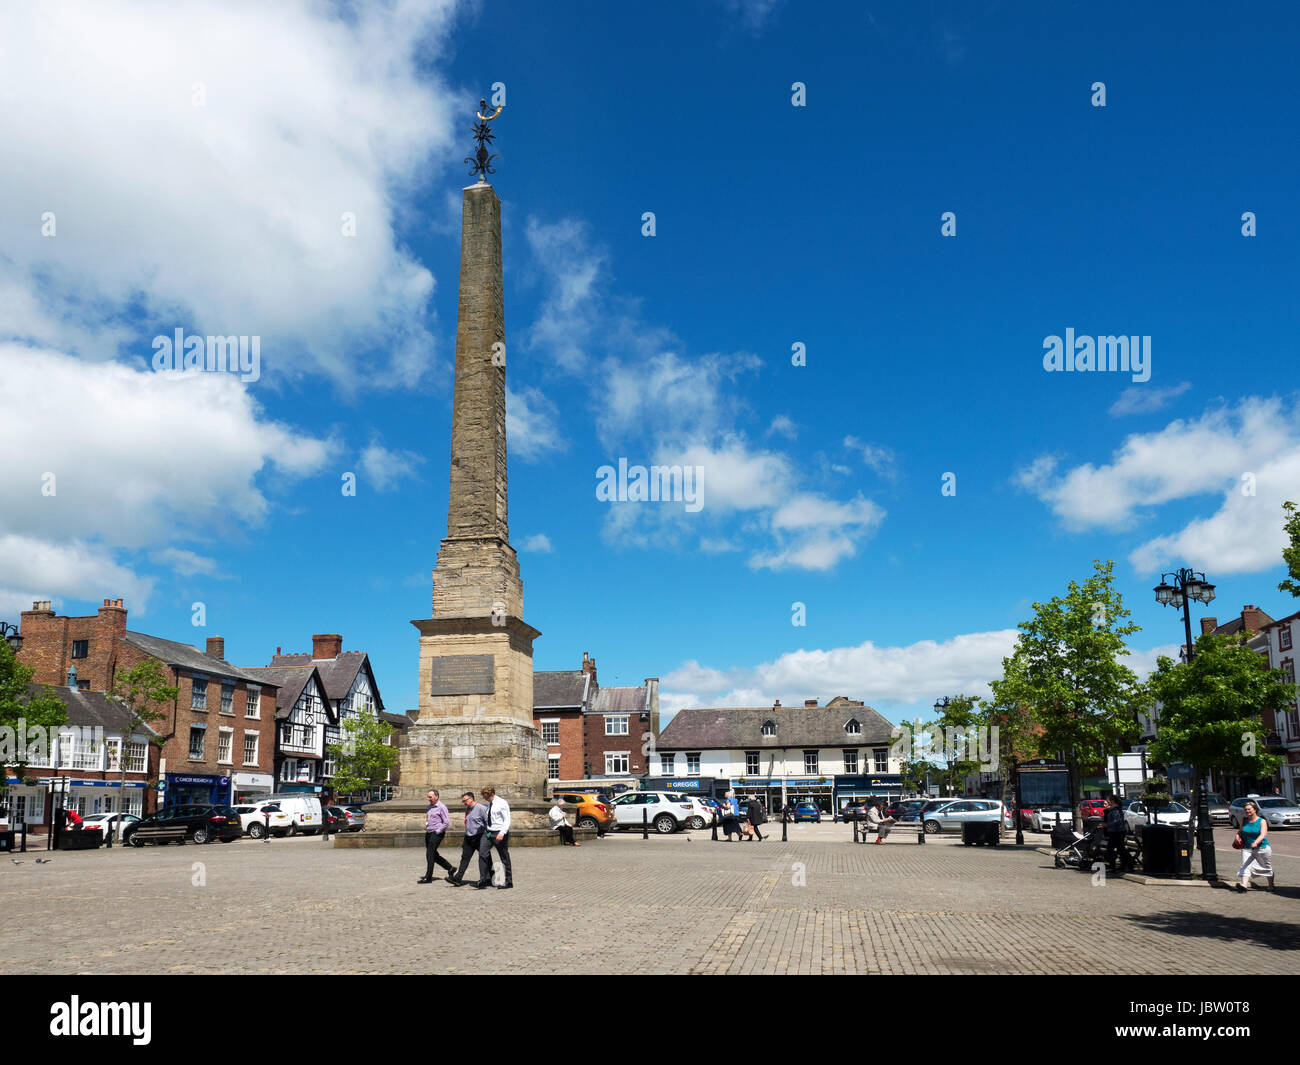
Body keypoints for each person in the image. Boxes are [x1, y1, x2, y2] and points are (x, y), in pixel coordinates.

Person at [446, 792, 487, 886]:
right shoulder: (468, 808)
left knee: (485, 858)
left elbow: (488, 823)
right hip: (469, 838)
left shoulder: (481, 808)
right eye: (463, 801)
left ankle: (488, 878)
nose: (464, 803)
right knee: (465, 858)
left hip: (479, 837)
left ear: (471, 799)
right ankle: (458, 878)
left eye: (465, 801)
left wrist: (488, 837)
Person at [478, 786, 513, 889]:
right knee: (482, 853)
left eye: (486, 797)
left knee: (504, 856)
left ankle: (508, 881)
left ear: (492, 794)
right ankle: (484, 879)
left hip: (499, 832)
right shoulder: (490, 804)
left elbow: (507, 819)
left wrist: (502, 833)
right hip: (489, 833)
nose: (485, 799)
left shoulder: (502, 803)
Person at [1236, 799, 1274, 892]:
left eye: (1249, 809)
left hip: (1262, 848)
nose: (1247, 811)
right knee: (1245, 865)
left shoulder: (1262, 821)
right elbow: (1240, 831)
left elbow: (1263, 834)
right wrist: (1237, 837)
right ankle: (1244, 885)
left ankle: (1271, 885)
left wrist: (1256, 842)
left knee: (1266, 866)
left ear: (1255, 809)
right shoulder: (1244, 820)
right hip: (1247, 848)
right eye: (1245, 809)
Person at [418, 789, 455, 883]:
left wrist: (437, 831)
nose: (428, 799)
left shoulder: (442, 807)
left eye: (430, 797)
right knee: (434, 854)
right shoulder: (429, 807)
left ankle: (428, 877)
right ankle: (450, 868)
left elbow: (446, 822)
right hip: (429, 832)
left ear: (436, 796)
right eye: (428, 797)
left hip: (437, 833)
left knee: (429, 854)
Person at [1102, 795, 1131, 872]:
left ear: (1112, 801)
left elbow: (1117, 821)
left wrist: (1106, 825)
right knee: (1121, 850)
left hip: (1117, 832)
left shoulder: (1115, 810)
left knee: (1111, 849)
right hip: (1116, 832)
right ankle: (1126, 865)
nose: (1107, 801)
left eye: (1108, 800)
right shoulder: (1114, 810)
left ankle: (1114, 866)